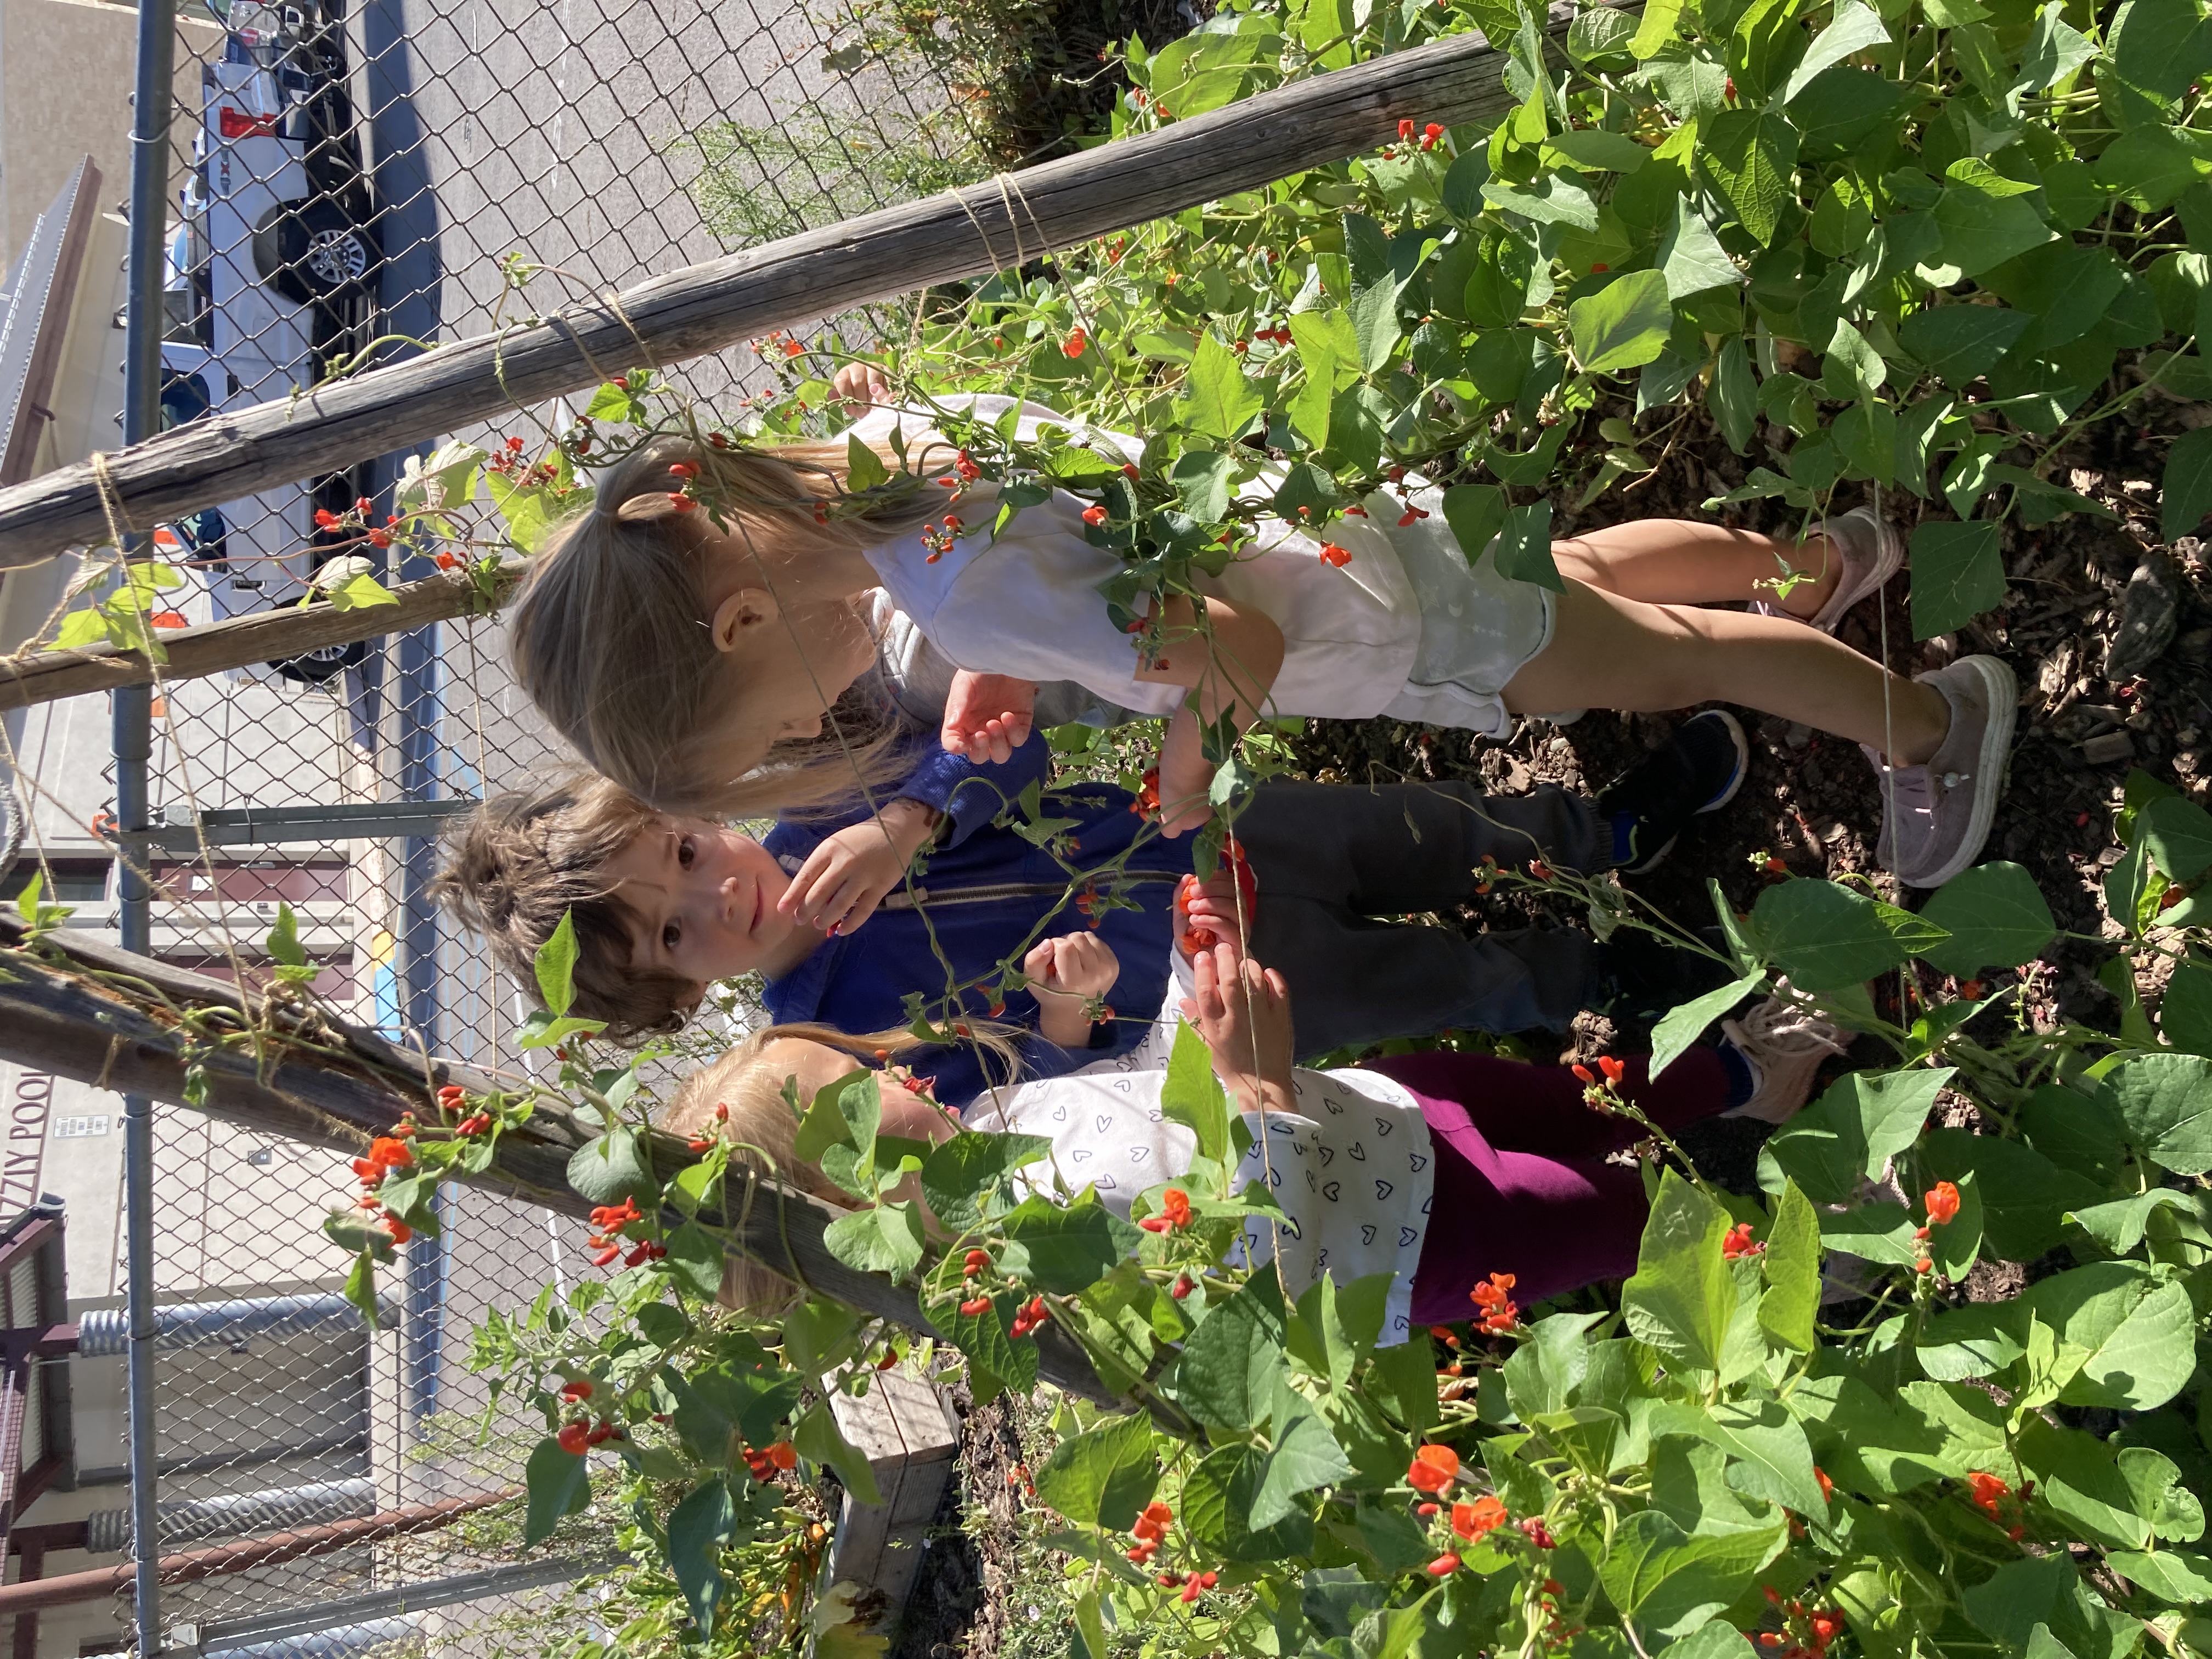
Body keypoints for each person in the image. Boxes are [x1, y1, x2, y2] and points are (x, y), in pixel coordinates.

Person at [507, 375, 2013, 889]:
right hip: (1346, 529)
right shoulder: (898, 465)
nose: (814, 727)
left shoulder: (960, 593)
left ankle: (1935, 726)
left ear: (748, 616)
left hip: (1364, 615)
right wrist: (998, 665)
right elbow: (1071, 530)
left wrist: (1188, 766)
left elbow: (1232, 650)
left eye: (780, 721)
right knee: (1578, 567)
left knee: (1673, 657)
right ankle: (1819, 560)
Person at [433, 716, 1746, 1103]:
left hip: (1203, 836)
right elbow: (996, 1097)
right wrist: (1062, 1018)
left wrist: (910, 821)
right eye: (676, 932)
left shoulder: (826, 816)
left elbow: (1009, 753)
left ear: (693, 806)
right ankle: (1603, 979)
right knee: (1441, 992)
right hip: (1199, 997)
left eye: (680, 850)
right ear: (677, 995)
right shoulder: (821, 1036)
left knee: (1426, 831)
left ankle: (1599, 835)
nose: (719, 889)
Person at [664, 940, 1846, 1340]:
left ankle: (1747, 1080)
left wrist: (1190, 987)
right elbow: (1247, 1260)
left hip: (1376, 1114)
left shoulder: (981, 1138)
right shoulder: (1030, 1266)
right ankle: (1815, 1259)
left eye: (865, 1062)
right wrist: (1253, 1079)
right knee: (1624, 1222)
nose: (895, 1071)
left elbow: (1149, 1099)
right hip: (1421, 1235)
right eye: (865, 1097)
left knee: (1576, 1099)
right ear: (846, 1208)